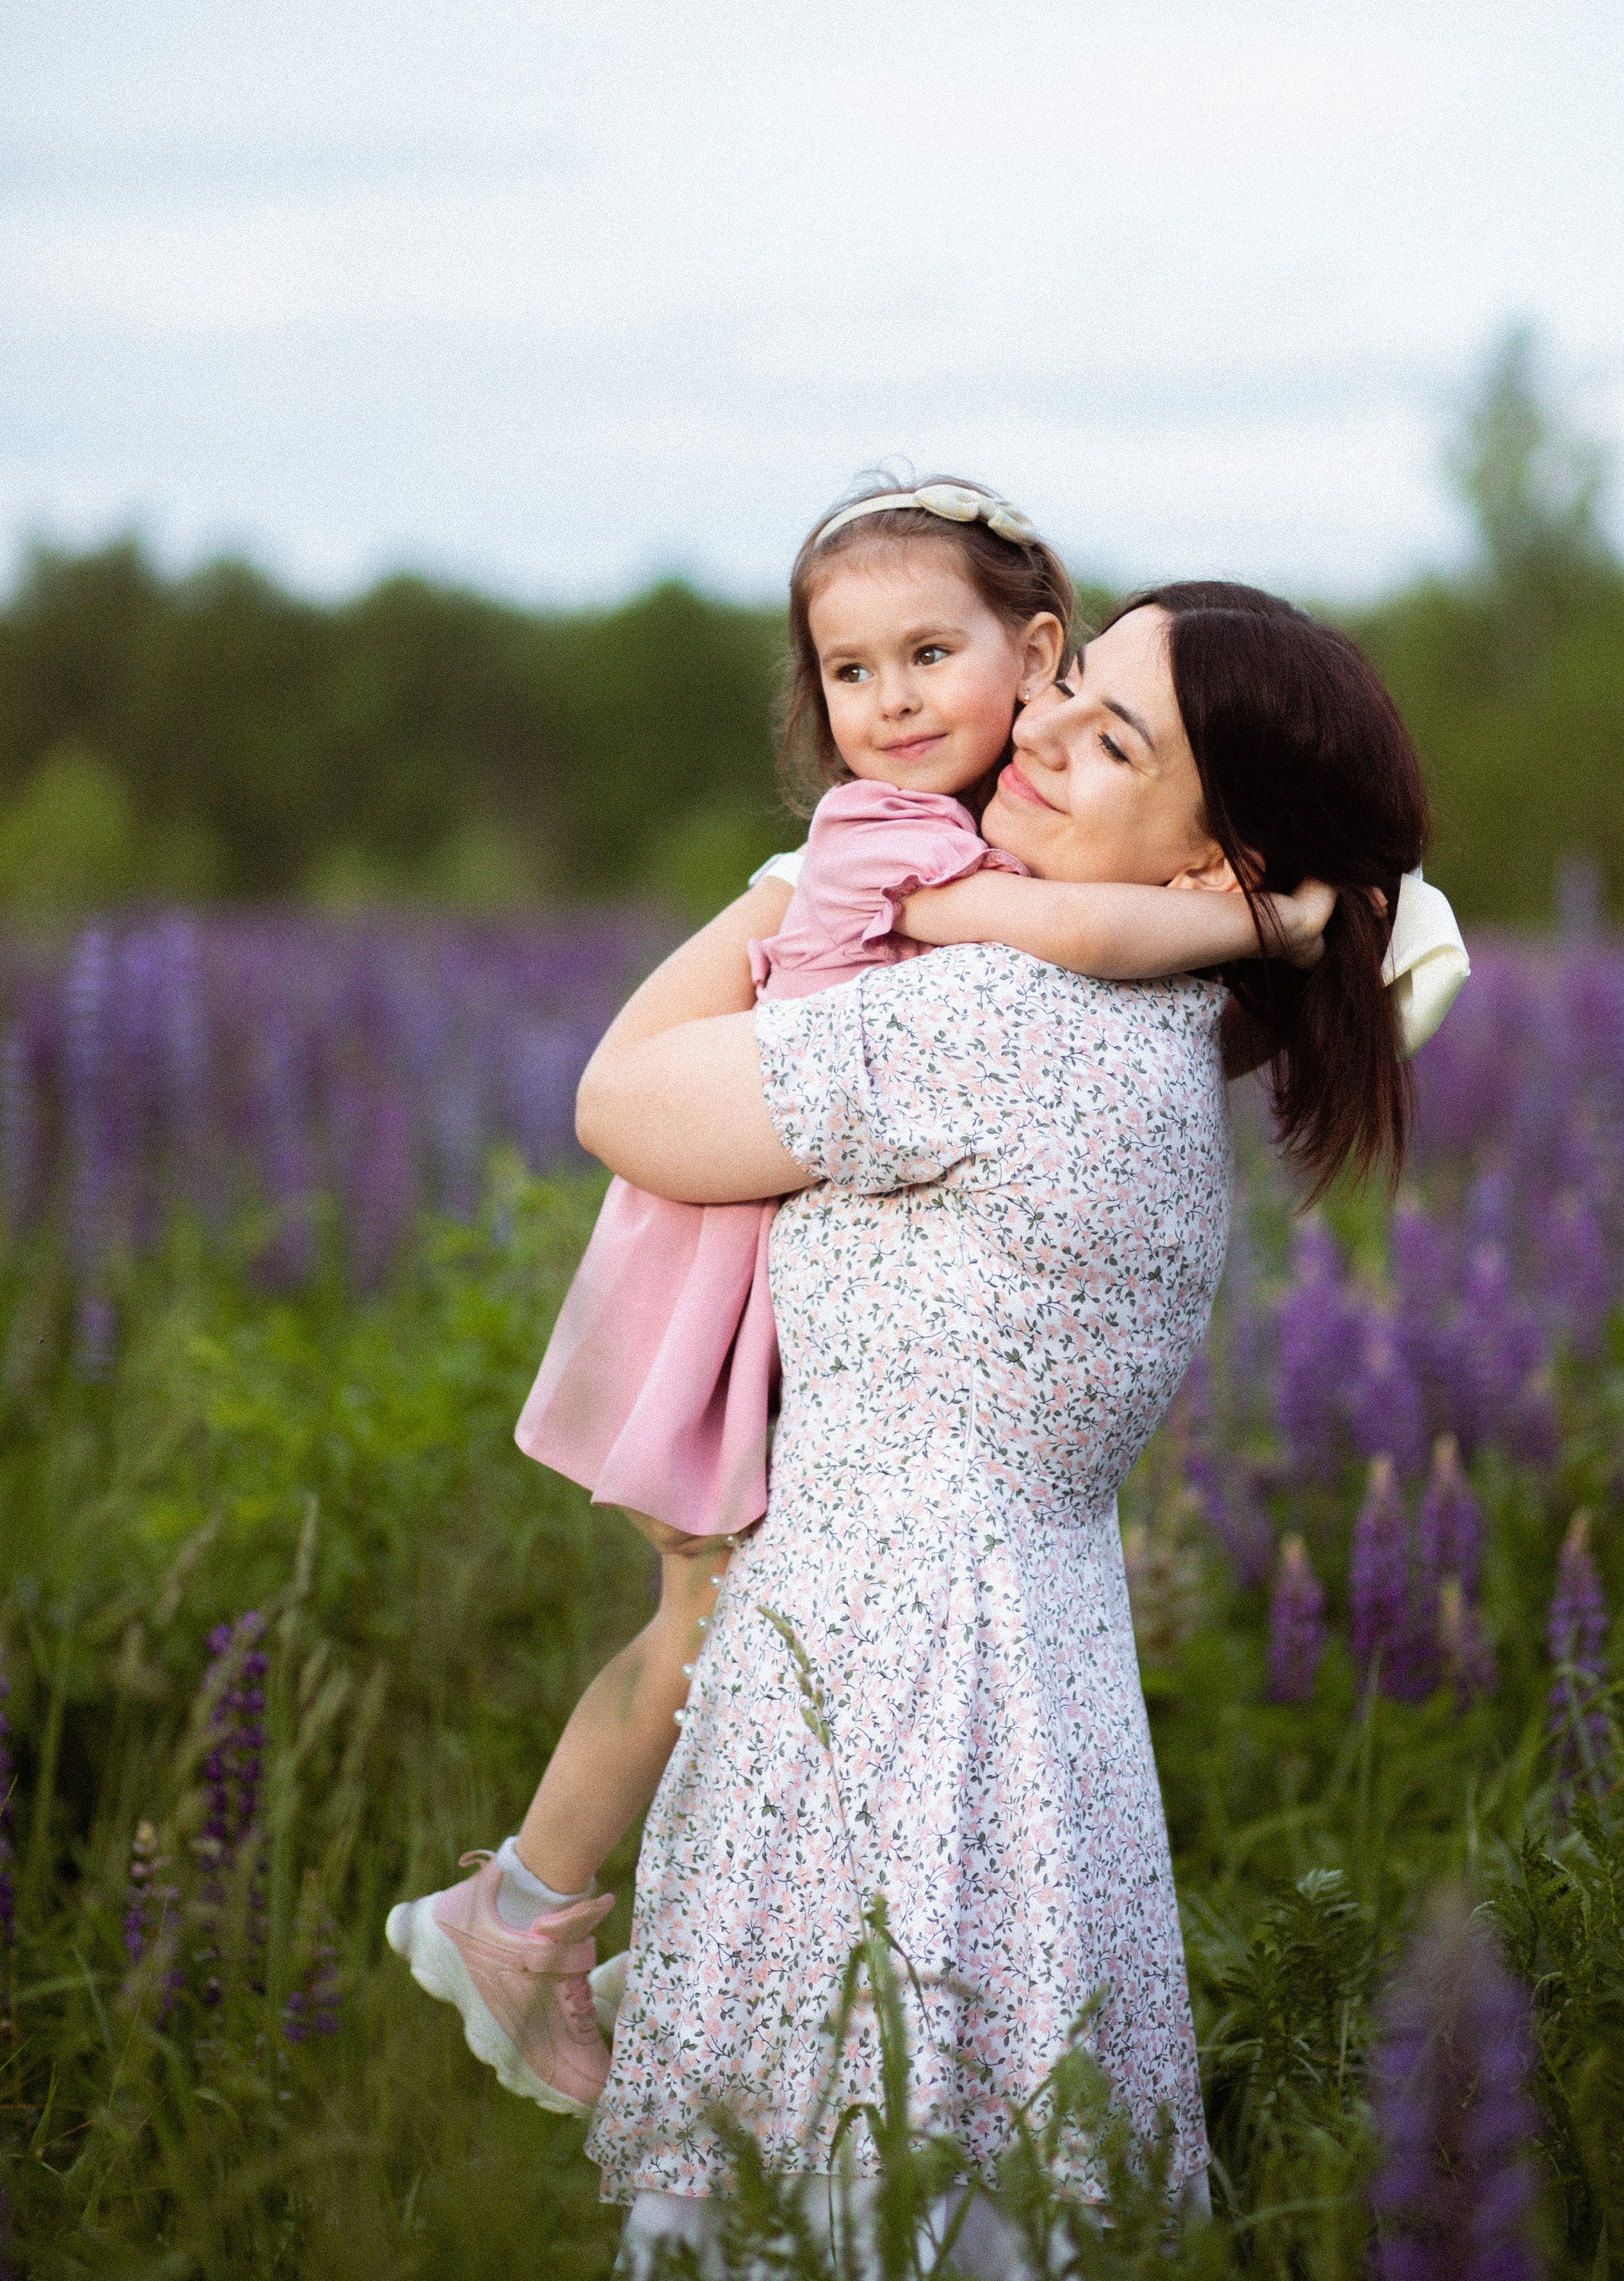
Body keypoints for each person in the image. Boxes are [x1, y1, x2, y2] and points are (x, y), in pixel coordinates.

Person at [385, 484, 1342, 2112]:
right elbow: (1080, 949)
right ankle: (521, 1906)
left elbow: (1127, 1015)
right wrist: (1265, 918)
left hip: (793, 1207)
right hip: (731, 1236)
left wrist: (1246, 937)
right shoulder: (905, 852)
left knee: (693, 1609)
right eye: (849, 672)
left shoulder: (996, 904)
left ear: (1029, 655)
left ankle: (526, 1911)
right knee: (697, 1603)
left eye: (930, 657)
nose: (891, 702)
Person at [572, 575, 1450, 2260]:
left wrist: (790, 878)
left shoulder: (996, 1021)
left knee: (835, 2177)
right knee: (992, 2164)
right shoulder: (1156, 1026)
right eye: (1068, 684)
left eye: (1107, 736)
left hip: (878, 1687)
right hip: (1029, 1690)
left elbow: (621, 1099)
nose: (1030, 726)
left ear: (1218, 871)